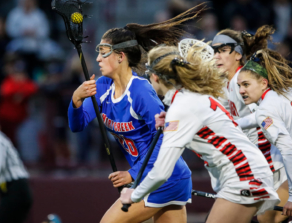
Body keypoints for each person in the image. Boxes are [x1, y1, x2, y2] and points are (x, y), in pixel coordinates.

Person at [120, 42, 280, 223]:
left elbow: (162, 172)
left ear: (156, 77)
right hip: (248, 174)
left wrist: (134, 195)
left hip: (244, 177)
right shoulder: (191, 97)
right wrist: (169, 122)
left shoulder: (181, 107)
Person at [68, 8, 202, 222]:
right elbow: (78, 125)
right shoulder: (102, 87)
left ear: (121, 56)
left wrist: (132, 173)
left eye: (104, 52)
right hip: (150, 177)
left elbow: (167, 137)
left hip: (166, 177)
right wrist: (76, 100)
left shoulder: (140, 92)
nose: (98, 58)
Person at [211, 26, 288, 223]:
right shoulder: (234, 84)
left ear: (237, 54)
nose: (216, 56)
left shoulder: (242, 82)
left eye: (222, 50)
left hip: (272, 168)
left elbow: (266, 125)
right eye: (214, 51)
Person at [237, 26, 292, 220]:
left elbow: (287, 149)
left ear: (263, 83)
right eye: (239, 86)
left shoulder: (266, 109)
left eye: (246, 85)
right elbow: (254, 120)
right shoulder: (282, 93)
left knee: (267, 219)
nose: (241, 91)